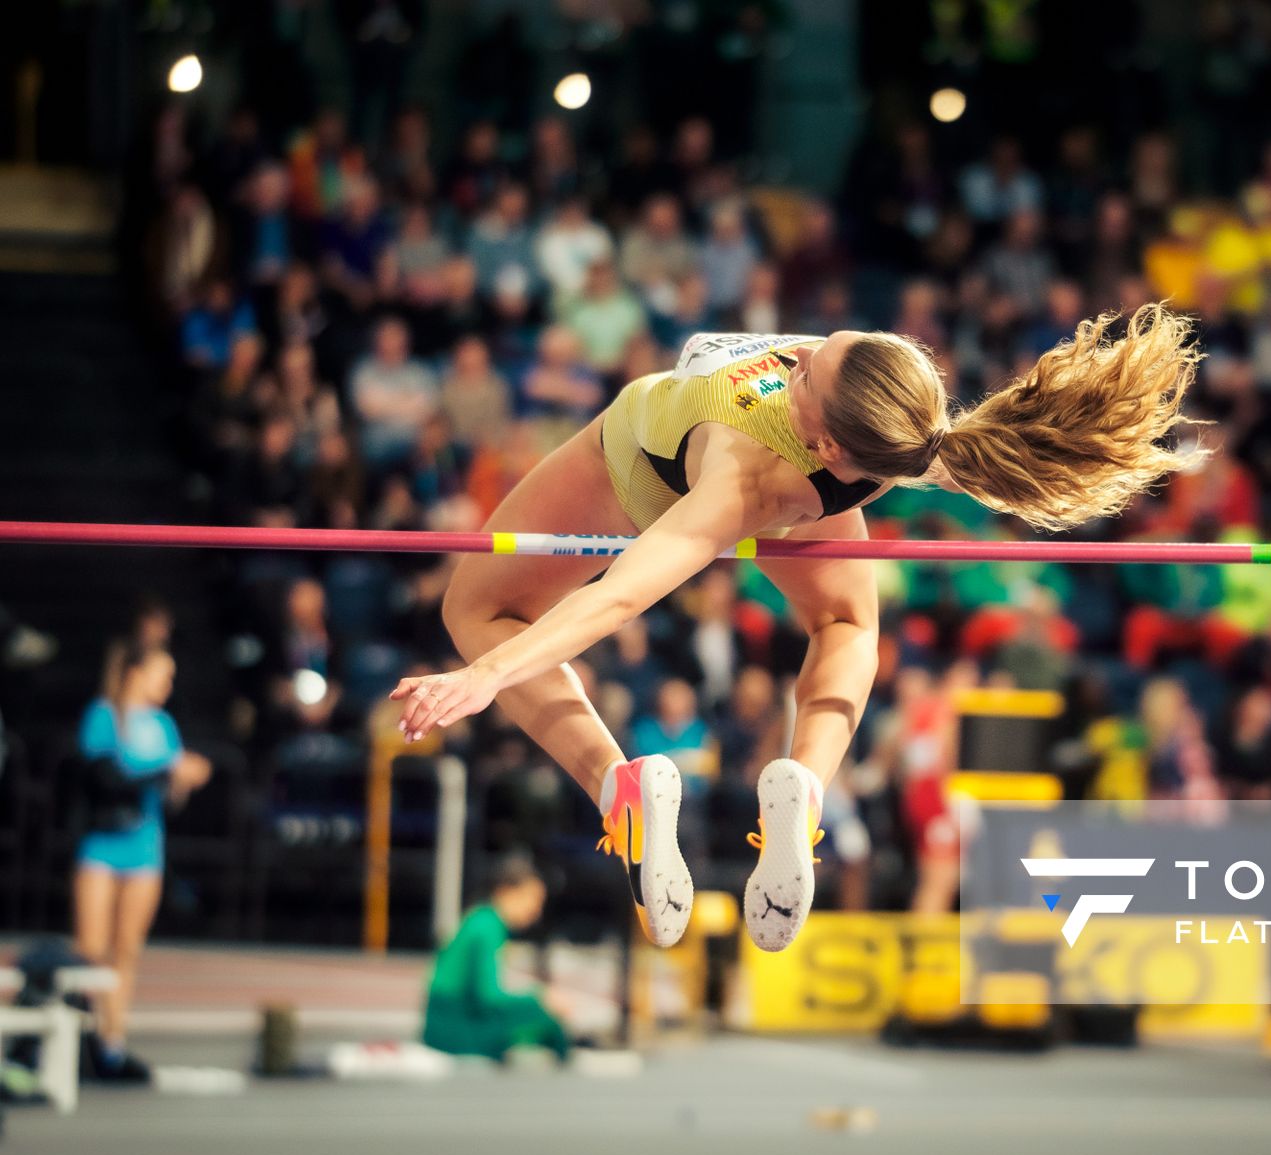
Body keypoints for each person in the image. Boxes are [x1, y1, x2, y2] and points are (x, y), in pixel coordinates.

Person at [391, 309, 1201, 952]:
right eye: (825, 349)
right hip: (808, 491)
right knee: (847, 623)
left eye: (808, 372)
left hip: (637, 466)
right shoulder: (907, 435)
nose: (801, 355)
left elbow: (619, 599)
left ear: (826, 438)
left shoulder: (741, 476)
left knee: (477, 611)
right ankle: (804, 791)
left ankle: (621, 791)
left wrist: (485, 675)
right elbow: (962, 456)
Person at [74, 644, 211, 1080]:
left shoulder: (163, 725)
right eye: (161, 674)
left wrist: (183, 779)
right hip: (102, 843)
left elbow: (169, 800)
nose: (167, 685)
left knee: (126, 950)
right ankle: (83, 1038)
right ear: (135, 673)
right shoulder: (104, 715)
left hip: (144, 846)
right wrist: (166, 771)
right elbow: (105, 778)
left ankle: (113, 1042)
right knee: (91, 950)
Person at [421, 855, 570, 1063]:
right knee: (547, 1022)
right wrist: (539, 998)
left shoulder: (481, 919)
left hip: (444, 1021)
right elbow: (488, 996)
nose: (536, 911)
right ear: (506, 892)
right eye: (532, 899)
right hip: (454, 1028)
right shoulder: (488, 927)